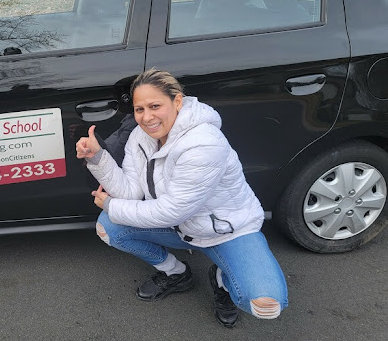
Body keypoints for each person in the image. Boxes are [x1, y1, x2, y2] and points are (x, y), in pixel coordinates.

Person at [76, 69, 287, 327]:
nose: (147, 117)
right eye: (139, 109)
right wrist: (97, 158)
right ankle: (176, 273)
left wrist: (110, 204)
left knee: (265, 304)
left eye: (155, 106)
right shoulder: (139, 137)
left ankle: (222, 281)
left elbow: (174, 210)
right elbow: (130, 192)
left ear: (177, 101)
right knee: (109, 227)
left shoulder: (203, 143)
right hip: (181, 227)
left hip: (227, 230)